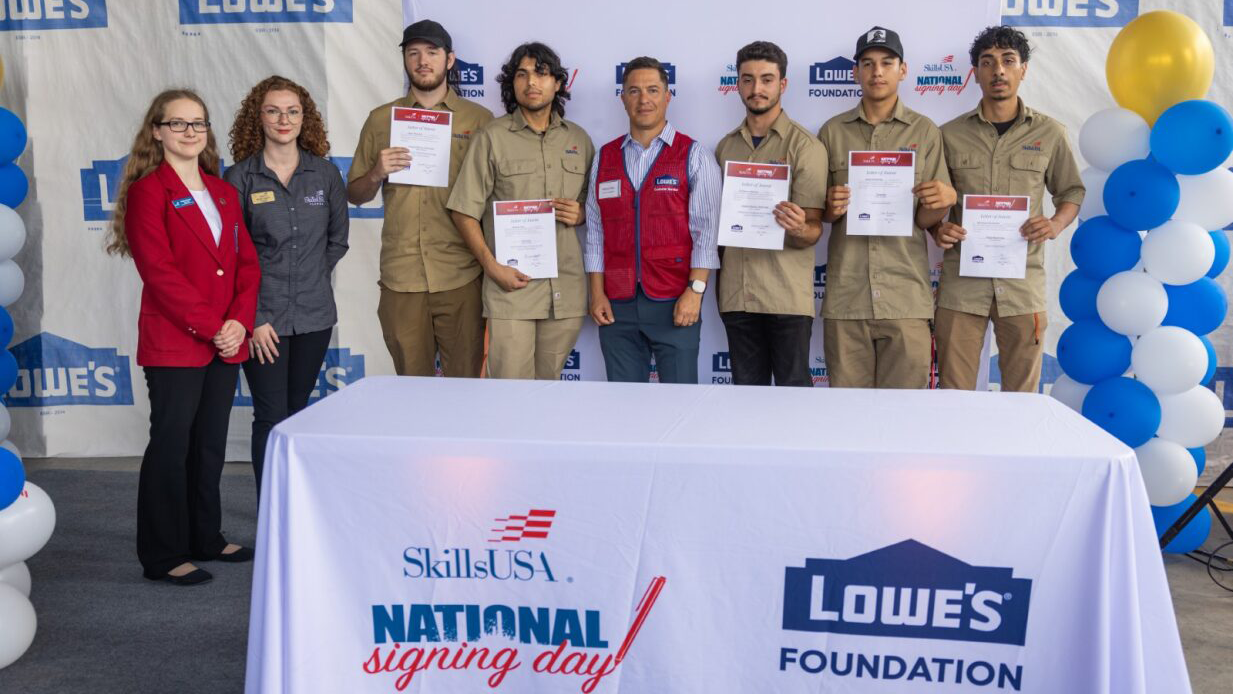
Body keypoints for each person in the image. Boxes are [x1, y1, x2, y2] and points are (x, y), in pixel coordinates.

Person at [106, 89, 260, 585]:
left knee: (210, 444)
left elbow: (246, 267)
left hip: (225, 340)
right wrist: (215, 327)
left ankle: (204, 537)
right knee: (172, 445)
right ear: (157, 131)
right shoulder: (149, 192)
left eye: (198, 123)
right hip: (177, 340)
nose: (191, 132)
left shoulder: (223, 192)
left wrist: (238, 321)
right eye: (179, 124)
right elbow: (161, 273)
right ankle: (163, 553)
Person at [931, 26, 1084, 392]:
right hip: (961, 287)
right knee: (954, 393)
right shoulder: (947, 135)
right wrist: (937, 229)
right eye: (987, 63)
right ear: (976, 72)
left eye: (1008, 61)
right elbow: (932, 204)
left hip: (1022, 285)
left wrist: (1055, 224)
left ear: (1023, 69)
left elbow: (1072, 190)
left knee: (1022, 396)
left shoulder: (1049, 132)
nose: (998, 70)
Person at [224, 76, 349, 495]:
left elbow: (337, 240)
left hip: (314, 316)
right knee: (271, 416)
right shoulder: (240, 177)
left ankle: (296, 507)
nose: (284, 119)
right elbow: (231, 256)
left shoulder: (325, 174)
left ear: (304, 117)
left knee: (298, 413)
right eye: (274, 111)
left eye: (293, 111)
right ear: (257, 118)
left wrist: (312, 275)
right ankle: (271, 509)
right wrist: (254, 317)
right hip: (263, 321)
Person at [348, 19, 494, 377]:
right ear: (404, 60)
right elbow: (355, 194)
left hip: (460, 276)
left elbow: (496, 197)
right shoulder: (381, 119)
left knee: (466, 389)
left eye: (432, 52)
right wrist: (376, 173)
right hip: (402, 278)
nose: (422, 60)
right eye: (413, 53)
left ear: (450, 60)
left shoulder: (481, 121)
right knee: (411, 390)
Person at [817, 26, 956, 389]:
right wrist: (830, 208)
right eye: (867, 63)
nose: (877, 72)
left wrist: (942, 201)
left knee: (905, 421)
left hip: (905, 299)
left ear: (903, 69)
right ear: (855, 72)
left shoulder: (925, 132)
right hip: (847, 299)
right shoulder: (831, 132)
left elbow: (924, 221)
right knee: (848, 419)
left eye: (886, 62)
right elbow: (820, 217)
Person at [448, 42, 595, 379]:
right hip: (511, 290)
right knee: (509, 395)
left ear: (557, 83)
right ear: (511, 84)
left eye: (541, 74)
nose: (532, 82)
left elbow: (594, 207)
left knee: (549, 391)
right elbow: (463, 210)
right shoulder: (492, 137)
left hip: (565, 291)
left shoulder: (580, 140)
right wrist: (492, 267)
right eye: (522, 74)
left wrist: (582, 213)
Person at [584, 56, 721, 384]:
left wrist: (695, 292)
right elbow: (596, 232)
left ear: (667, 95)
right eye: (633, 90)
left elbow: (706, 232)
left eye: (652, 90)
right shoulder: (605, 156)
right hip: (617, 305)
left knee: (679, 406)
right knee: (623, 409)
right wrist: (597, 293)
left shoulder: (694, 155)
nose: (643, 99)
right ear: (622, 98)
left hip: (675, 301)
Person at [714, 41, 828, 386]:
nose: (756, 89)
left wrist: (797, 227)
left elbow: (814, 232)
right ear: (737, 84)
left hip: (785, 297)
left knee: (794, 395)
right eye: (747, 80)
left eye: (766, 79)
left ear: (783, 84)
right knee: (746, 397)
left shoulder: (806, 147)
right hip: (737, 293)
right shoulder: (725, 146)